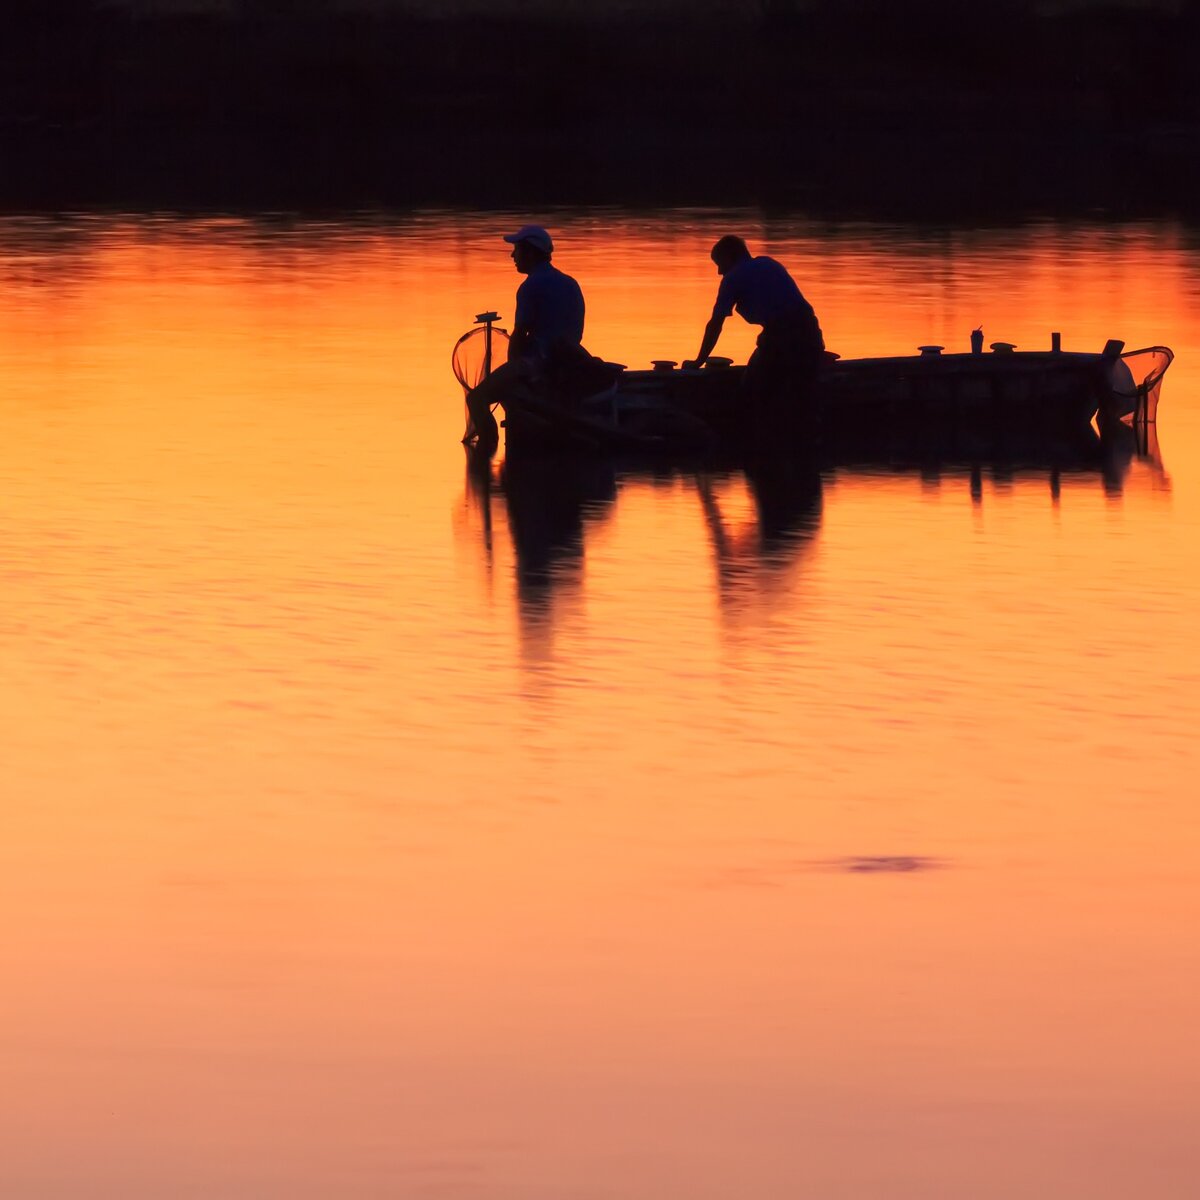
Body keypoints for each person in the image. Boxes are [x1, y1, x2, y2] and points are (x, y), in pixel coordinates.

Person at [684, 235, 825, 444]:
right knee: (801, 396)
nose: (719, 272)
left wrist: (699, 361)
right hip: (811, 332)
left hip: (781, 337)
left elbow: (716, 324)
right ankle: (805, 450)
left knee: (753, 394)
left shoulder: (732, 278)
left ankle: (758, 449)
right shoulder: (769, 264)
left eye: (720, 264)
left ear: (730, 258)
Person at [465, 224, 594, 452]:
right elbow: (576, 332)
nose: (513, 255)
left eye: (517, 250)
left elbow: (520, 332)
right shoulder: (570, 283)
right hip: (570, 359)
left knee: (476, 399)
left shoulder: (530, 286)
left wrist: (514, 368)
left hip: (538, 363)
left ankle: (486, 451)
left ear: (531, 252)